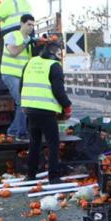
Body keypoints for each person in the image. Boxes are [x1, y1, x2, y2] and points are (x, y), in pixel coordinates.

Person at [21, 40, 72, 182]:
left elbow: (22, 85)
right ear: (54, 52)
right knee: (53, 143)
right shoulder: (54, 66)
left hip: (30, 109)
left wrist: (26, 104)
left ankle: (30, 175)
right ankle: (53, 177)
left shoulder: (30, 63)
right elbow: (58, 91)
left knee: (34, 143)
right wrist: (67, 106)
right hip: (46, 110)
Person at [2, 13, 36, 139]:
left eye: (33, 25)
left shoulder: (30, 40)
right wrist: (26, 43)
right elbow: (13, 51)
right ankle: (20, 133)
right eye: (29, 24)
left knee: (23, 103)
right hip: (10, 74)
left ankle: (13, 131)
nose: (31, 27)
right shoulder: (11, 36)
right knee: (22, 102)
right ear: (21, 23)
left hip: (23, 77)